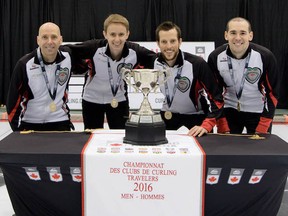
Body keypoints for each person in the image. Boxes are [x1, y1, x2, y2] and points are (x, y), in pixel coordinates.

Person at [66, 14, 155, 130]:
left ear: (127, 34)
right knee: (92, 137)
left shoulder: (135, 51)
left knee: (120, 137)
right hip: (91, 99)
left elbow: (156, 59)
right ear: (105, 34)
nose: (117, 39)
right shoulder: (94, 48)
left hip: (119, 100)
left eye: (121, 34)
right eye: (112, 34)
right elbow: (67, 50)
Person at [208, 17, 279, 134]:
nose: (237, 38)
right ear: (226, 35)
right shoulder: (215, 57)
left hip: (258, 111)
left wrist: (264, 124)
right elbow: (214, 93)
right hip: (229, 111)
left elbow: (273, 93)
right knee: (228, 150)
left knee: (259, 151)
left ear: (250, 36)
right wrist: (221, 122)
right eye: (233, 33)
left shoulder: (265, 57)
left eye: (243, 33)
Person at [153, 21, 224, 137]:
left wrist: (207, 125)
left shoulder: (197, 64)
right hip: (165, 117)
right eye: (164, 42)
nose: (169, 46)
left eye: (172, 41)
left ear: (180, 41)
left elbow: (217, 99)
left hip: (196, 120)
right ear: (158, 43)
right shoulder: (152, 62)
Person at [6, 22, 81, 131]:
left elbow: (90, 59)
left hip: (60, 121)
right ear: (38, 40)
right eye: (45, 37)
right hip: (30, 123)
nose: (49, 42)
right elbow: (12, 102)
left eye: (54, 37)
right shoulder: (25, 64)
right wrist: (17, 132)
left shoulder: (69, 56)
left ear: (60, 40)